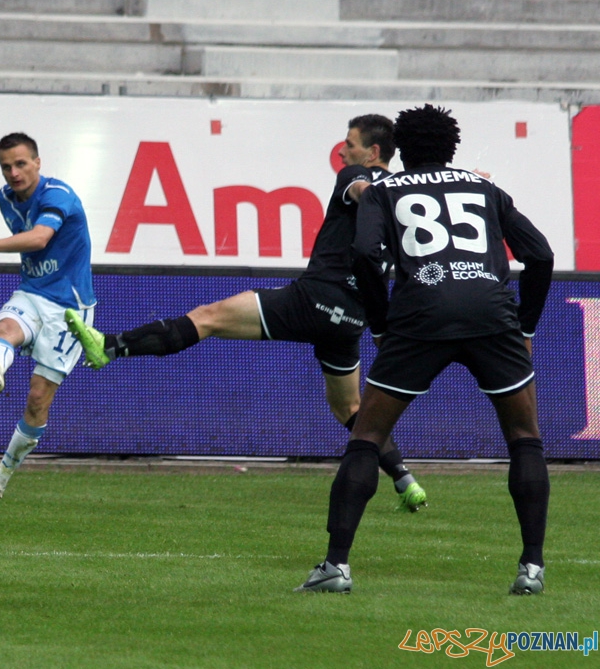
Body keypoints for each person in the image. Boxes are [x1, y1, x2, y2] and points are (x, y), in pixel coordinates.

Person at [66, 115, 427, 511]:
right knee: (349, 408)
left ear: (373, 153)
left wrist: (369, 192)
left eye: (350, 144)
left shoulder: (359, 177)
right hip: (351, 320)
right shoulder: (406, 198)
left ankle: (111, 347)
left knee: (209, 317)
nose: (342, 151)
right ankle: (406, 480)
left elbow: (360, 189)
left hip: (315, 299)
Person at [296, 104, 554, 594]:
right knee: (524, 436)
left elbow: (365, 255)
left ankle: (336, 567)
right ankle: (532, 569)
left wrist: (379, 324)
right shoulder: (486, 189)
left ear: (401, 149)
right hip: (492, 315)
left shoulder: (383, 190)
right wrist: (526, 326)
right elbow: (540, 254)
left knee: (368, 435)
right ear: (450, 147)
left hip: (419, 317)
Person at [0, 132, 95, 500]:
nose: (13, 173)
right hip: (32, 293)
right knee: (5, 328)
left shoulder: (58, 194)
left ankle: (0, 476)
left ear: (38, 162)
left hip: (70, 308)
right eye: (5, 167)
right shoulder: (5, 198)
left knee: (37, 399)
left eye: (20, 164)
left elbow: (38, 239)